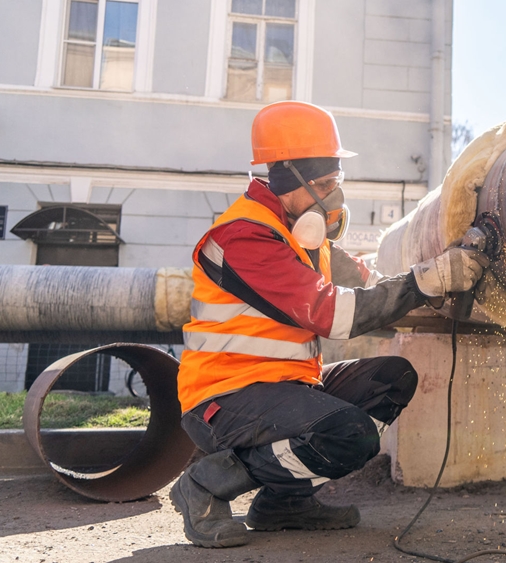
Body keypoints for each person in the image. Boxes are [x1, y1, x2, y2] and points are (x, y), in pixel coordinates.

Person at [170, 100, 488, 548]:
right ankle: (206, 484)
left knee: (392, 377)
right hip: (224, 399)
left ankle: (286, 502)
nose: (332, 198)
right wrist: (426, 280)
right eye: (323, 184)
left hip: (284, 388)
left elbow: (374, 290)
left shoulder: (304, 238)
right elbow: (335, 314)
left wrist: (443, 288)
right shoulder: (244, 238)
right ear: (284, 178)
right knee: (350, 435)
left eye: (335, 182)